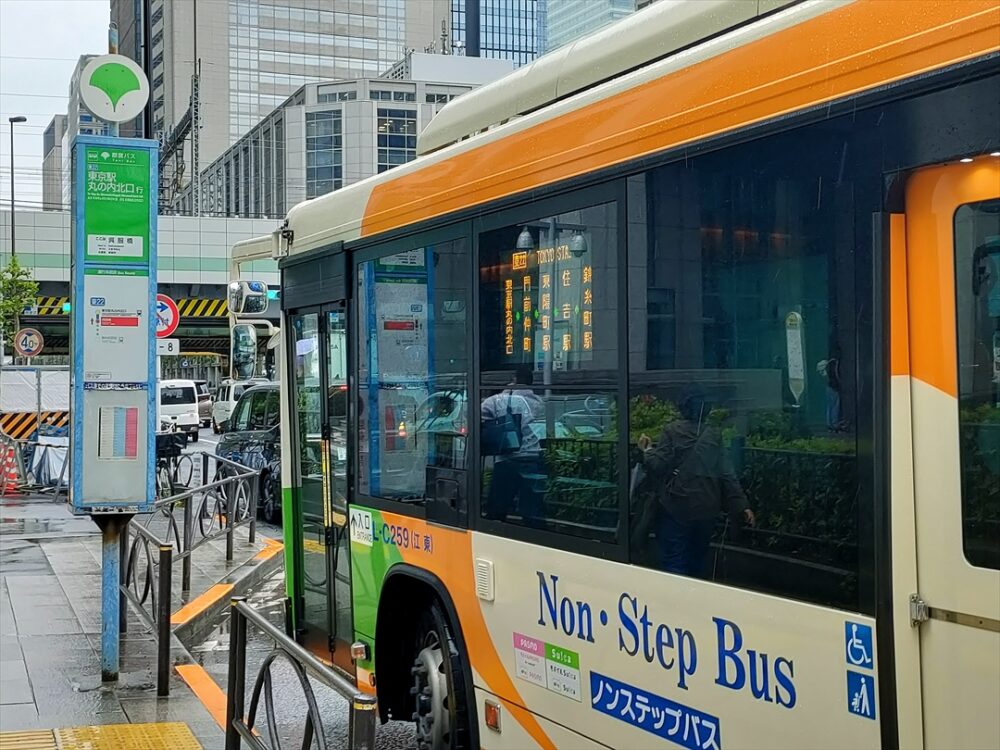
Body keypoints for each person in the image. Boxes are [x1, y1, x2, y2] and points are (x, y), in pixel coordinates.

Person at [636, 385, 754, 577]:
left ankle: (678, 601)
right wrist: (742, 505)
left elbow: (658, 465)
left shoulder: (671, 431)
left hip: (677, 506)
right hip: (707, 507)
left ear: (682, 407)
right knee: (697, 560)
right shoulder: (713, 434)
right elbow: (727, 472)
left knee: (675, 559)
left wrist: (647, 451)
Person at [481, 366, 546, 527]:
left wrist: (505, 391)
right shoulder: (538, 402)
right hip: (533, 457)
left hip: (508, 458)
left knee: (498, 505)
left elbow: (481, 411)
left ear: (514, 379)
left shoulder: (501, 399)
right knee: (531, 507)